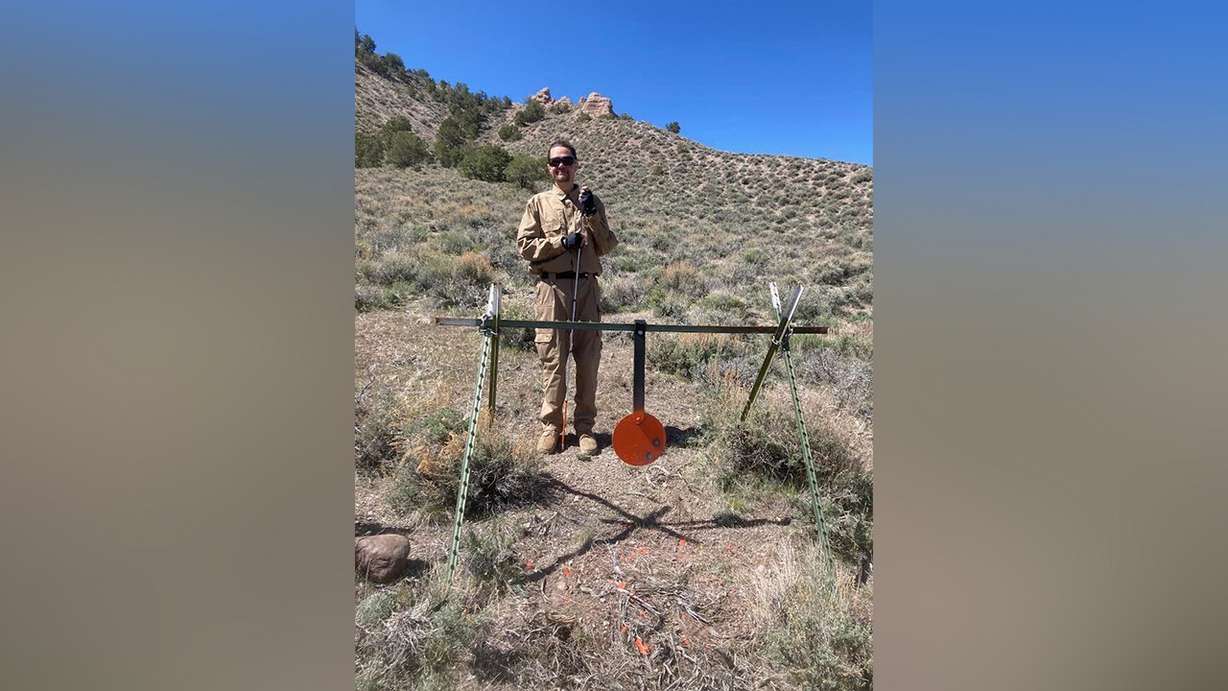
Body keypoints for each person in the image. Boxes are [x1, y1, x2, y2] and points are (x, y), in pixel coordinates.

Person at [515, 139, 618, 456]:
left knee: (588, 360)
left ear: (576, 164)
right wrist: (561, 242)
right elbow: (525, 247)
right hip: (552, 290)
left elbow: (607, 245)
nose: (561, 166)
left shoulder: (591, 201)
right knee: (553, 359)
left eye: (567, 160)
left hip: (586, 288)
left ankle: (585, 428)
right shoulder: (538, 203)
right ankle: (552, 427)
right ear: (549, 168)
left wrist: (591, 215)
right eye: (555, 162)